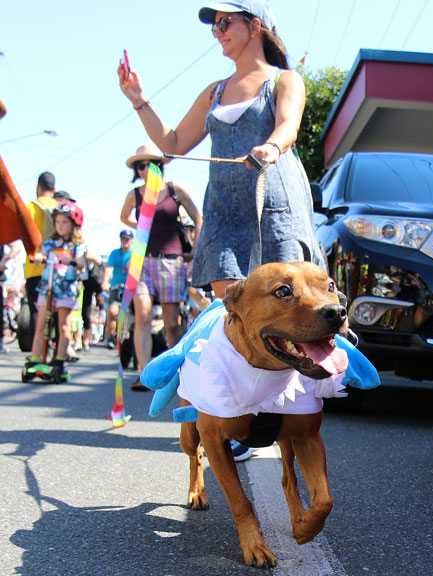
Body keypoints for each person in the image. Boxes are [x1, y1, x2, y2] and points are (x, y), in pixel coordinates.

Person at [118, 0, 324, 460]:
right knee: (237, 314)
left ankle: (290, 414)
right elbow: (171, 145)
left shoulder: (282, 80)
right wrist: (138, 100)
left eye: (225, 22)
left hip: (275, 201)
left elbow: (288, 125)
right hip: (227, 210)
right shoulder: (214, 91)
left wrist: (271, 146)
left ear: (255, 26)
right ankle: (241, 419)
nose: (218, 32)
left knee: (290, 310)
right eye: (214, 26)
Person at [120, 143, 202, 391]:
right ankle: (145, 374)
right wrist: (140, 228)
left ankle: (174, 374)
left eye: (151, 164)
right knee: (142, 315)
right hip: (142, 260)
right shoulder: (134, 194)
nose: (146, 169)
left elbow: (198, 217)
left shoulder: (175, 189)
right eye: (141, 165)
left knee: (171, 323)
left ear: (160, 166)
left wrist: (194, 251)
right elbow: (123, 217)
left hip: (172, 261)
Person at [25, 202, 87, 381]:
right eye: (58, 221)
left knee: (64, 326)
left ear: (74, 224)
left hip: (66, 288)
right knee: (41, 324)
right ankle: (35, 358)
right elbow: (41, 255)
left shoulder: (77, 245)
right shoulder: (50, 243)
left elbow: (82, 263)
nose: (60, 225)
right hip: (48, 287)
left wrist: (73, 261)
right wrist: (38, 257)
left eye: (64, 222)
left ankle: (59, 360)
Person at [24, 172, 58, 335]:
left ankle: (36, 352)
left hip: (35, 266)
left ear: (38, 187)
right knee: (55, 311)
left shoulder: (30, 207)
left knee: (37, 311)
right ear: (54, 189)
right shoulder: (59, 207)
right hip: (57, 267)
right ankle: (54, 348)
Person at [102, 228, 134, 348]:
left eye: (127, 239)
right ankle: (110, 337)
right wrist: (105, 282)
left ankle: (130, 343)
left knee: (132, 315)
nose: (125, 241)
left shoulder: (134, 254)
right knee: (112, 311)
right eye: (123, 239)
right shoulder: (115, 253)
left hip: (131, 290)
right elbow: (109, 268)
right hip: (117, 288)